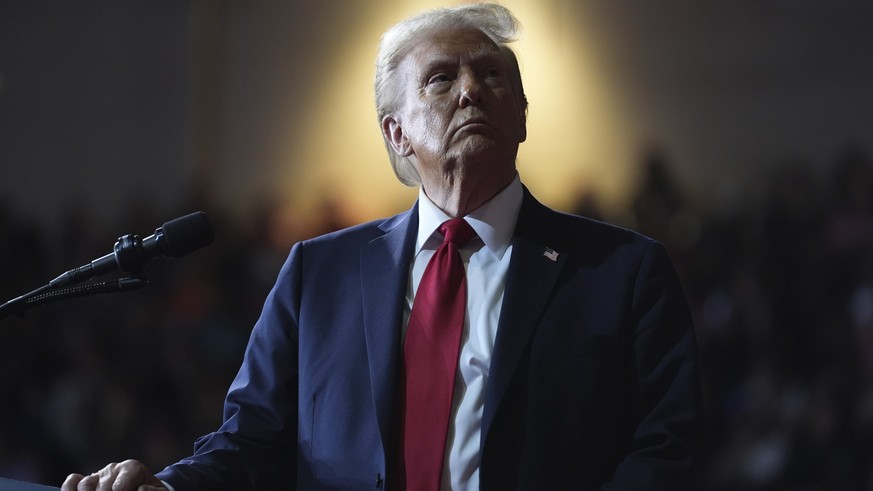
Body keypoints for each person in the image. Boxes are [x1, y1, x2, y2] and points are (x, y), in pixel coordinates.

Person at [63, 3, 704, 490]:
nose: (471, 90)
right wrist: (168, 487)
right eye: (441, 79)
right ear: (397, 133)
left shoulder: (623, 272)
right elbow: (254, 438)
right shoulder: (321, 273)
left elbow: (670, 449)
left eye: (491, 75)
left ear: (522, 117)